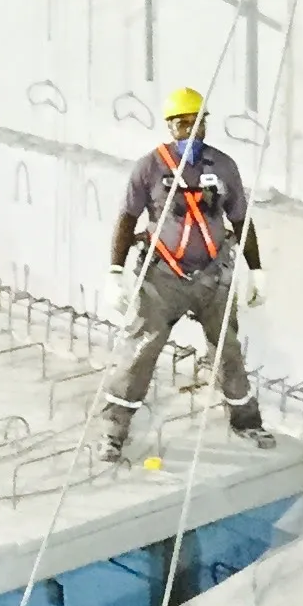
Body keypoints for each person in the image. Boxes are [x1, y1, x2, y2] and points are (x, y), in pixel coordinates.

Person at [103, 87, 272, 461]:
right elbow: (128, 217)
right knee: (141, 351)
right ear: (170, 127)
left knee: (227, 349)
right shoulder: (150, 167)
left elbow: (240, 219)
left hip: (213, 276)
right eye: (182, 124)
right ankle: (114, 430)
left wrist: (256, 269)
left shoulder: (223, 166)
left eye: (197, 122)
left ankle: (246, 421)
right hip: (162, 277)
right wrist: (115, 271)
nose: (191, 131)